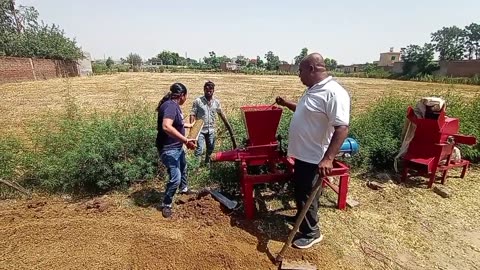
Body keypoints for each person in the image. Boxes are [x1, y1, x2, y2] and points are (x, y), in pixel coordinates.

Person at [275, 53, 350, 249]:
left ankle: (312, 232)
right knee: (300, 190)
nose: (298, 75)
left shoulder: (333, 92)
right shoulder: (313, 90)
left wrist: (328, 159)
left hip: (315, 156)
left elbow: (342, 127)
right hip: (302, 154)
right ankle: (301, 217)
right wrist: (285, 103)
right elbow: (303, 110)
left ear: (312, 69)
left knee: (308, 193)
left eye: (300, 70)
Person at [156, 82, 197, 218]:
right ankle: (166, 204)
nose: (186, 99)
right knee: (176, 177)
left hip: (176, 146)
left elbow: (176, 123)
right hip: (169, 148)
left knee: (183, 167)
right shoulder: (171, 106)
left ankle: (184, 190)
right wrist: (186, 140)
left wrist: (189, 125)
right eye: (186, 96)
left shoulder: (174, 106)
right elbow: (167, 126)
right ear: (182, 95)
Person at [189, 81, 234, 164]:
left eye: (210, 90)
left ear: (213, 90)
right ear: (204, 90)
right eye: (206, 90)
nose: (208, 92)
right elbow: (192, 114)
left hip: (211, 130)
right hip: (200, 130)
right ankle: (195, 168)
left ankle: (207, 165)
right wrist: (192, 131)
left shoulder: (216, 102)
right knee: (200, 150)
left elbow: (221, 114)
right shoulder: (198, 101)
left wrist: (228, 126)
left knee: (210, 149)